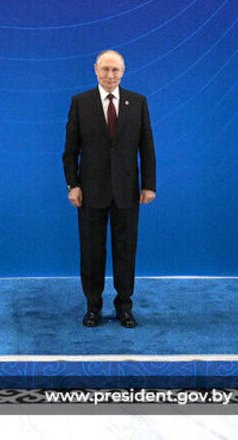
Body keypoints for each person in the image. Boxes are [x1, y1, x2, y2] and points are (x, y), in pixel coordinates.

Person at [63, 50, 156, 328]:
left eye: (115, 70)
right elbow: (70, 151)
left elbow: (147, 149)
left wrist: (149, 185)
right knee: (92, 252)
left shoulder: (138, 102)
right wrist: (73, 185)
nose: (110, 75)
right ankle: (93, 306)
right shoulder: (81, 103)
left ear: (123, 71)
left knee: (125, 251)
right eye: (105, 69)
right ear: (95, 69)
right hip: (90, 193)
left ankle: (124, 306)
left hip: (127, 192)